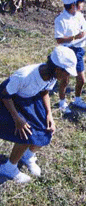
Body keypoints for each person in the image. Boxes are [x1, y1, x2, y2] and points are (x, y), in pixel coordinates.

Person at [0, 46, 78, 183]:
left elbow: (44, 92)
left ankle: (28, 156)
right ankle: (9, 168)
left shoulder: (51, 75)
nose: (67, 77)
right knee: (26, 133)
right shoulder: (24, 76)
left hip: (29, 98)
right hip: (8, 99)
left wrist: (49, 115)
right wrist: (17, 118)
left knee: (47, 129)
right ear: (58, 69)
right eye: (67, 73)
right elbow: (5, 95)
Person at [55, 0, 86, 113]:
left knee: (81, 79)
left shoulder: (79, 15)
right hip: (67, 51)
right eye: (81, 1)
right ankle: (62, 102)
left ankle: (77, 99)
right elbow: (59, 40)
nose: (83, 4)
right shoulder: (60, 20)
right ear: (73, 5)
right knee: (65, 79)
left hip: (78, 51)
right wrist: (74, 37)